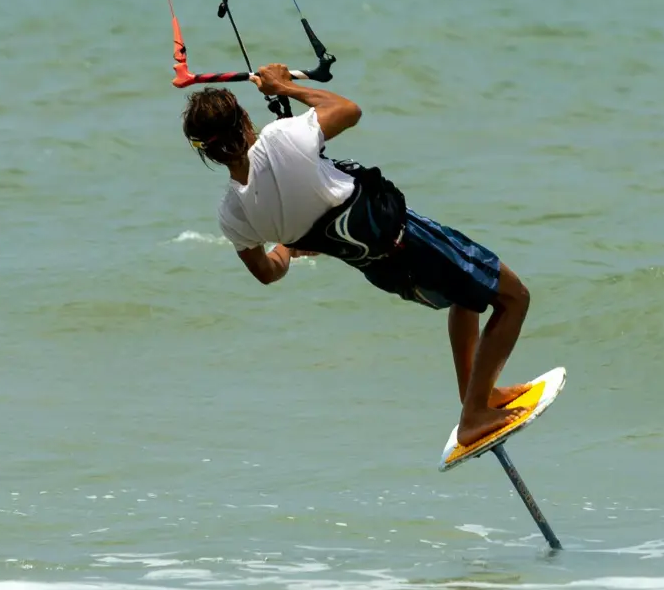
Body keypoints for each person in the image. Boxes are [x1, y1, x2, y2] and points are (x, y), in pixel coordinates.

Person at [182, 63, 533, 449]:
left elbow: (266, 271)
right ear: (245, 118)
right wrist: (286, 86)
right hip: (410, 241)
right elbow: (349, 110)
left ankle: (477, 397)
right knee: (513, 298)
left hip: (381, 270)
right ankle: (473, 417)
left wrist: (288, 245)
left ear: (206, 153)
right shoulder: (281, 138)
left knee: (465, 298)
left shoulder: (232, 213)